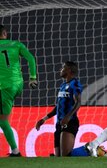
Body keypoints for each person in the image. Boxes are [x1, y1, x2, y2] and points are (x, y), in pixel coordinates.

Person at [0, 25, 37, 157]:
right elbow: (31, 59)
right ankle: (15, 151)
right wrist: (33, 78)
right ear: (5, 33)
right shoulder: (16, 44)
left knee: (3, 121)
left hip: (3, 87)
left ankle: (15, 151)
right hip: (17, 85)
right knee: (3, 120)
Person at [36, 61, 82, 156]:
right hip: (59, 124)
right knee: (58, 159)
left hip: (70, 122)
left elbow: (78, 102)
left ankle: (88, 150)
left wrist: (68, 117)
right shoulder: (62, 86)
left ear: (69, 70)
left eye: (63, 67)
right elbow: (58, 107)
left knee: (65, 156)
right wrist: (44, 119)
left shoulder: (75, 83)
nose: (60, 69)